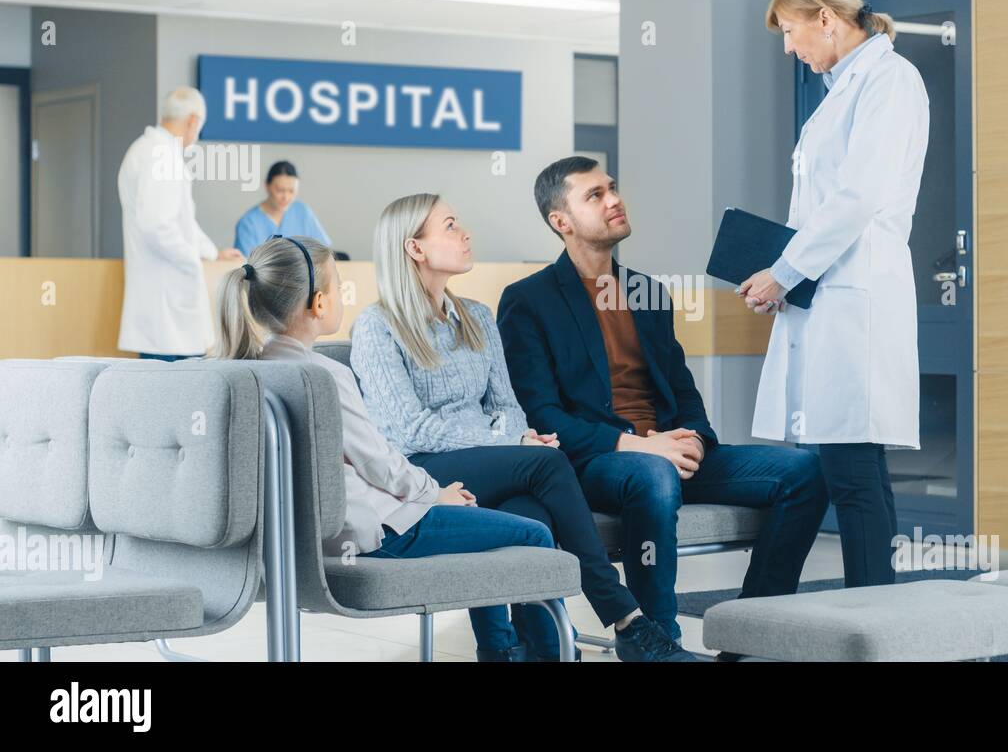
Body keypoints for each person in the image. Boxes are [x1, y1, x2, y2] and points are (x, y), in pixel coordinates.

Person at [497, 156, 829, 653]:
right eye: (595, 195)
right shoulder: (528, 300)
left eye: (612, 188)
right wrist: (639, 446)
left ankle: (751, 629)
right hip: (594, 463)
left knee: (805, 471)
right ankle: (655, 639)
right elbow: (541, 415)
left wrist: (694, 435)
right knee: (652, 475)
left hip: (667, 450)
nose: (614, 200)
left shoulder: (646, 292)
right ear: (560, 222)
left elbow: (681, 387)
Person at [349, 193, 698, 662]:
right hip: (422, 467)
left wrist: (517, 437)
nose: (466, 233)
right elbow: (408, 429)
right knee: (549, 464)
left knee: (529, 514)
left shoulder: (476, 316)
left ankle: (531, 650)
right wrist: (510, 443)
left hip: (492, 460)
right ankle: (626, 618)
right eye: (451, 226)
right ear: (415, 248)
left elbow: (508, 406)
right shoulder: (377, 326)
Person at [212, 234, 568, 662]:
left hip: (296, 545)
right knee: (533, 534)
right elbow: (380, 463)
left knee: (482, 525)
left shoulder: (243, 371)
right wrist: (436, 494)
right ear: (319, 304)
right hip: (373, 537)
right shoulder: (321, 375)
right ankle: (542, 655)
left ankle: (502, 651)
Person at [735, 0, 930, 588]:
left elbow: (857, 197)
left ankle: (874, 625)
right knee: (830, 466)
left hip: (856, 299)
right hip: (827, 293)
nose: (790, 49)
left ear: (826, 17)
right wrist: (783, 277)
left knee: (852, 468)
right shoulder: (842, 89)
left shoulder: (890, 80)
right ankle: (762, 614)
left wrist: (785, 272)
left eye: (792, 32)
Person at [118, 86, 242, 361]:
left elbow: (179, 220)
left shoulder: (145, 150)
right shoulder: (161, 157)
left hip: (161, 306)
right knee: (176, 393)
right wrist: (192, 261)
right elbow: (158, 226)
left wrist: (211, 253)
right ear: (193, 121)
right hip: (168, 305)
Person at [233, 161, 332, 257]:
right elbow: (245, 264)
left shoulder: (303, 212)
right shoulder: (248, 223)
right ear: (267, 186)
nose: (286, 197)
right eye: (280, 190)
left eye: (291, 191)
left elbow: (322, 252)